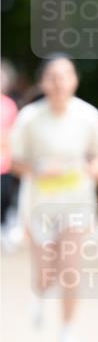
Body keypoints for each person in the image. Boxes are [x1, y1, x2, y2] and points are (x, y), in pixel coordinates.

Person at [10, 54, 98, 342]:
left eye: (65, 76)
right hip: (39, 203)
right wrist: (38, 170)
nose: (59, 83)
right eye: (53, 77)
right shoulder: (29, 118)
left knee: (70, 267)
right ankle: (40, 293)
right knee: (46, 271)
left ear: (74, 80)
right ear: (43, 82)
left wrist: (95, 169)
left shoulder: (88, 115)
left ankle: (68, 333)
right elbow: (14, 160)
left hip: (77, 202)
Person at [1, 59, 20, 249]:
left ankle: (5, 225)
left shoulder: (9, 105)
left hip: (4, 162)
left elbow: (14, 133)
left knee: (4, 196)